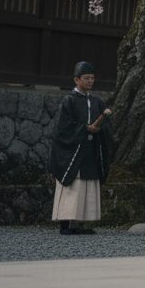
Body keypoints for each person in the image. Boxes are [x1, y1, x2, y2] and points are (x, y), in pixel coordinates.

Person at [49, 61, 112, 235]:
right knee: (73, 184)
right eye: (86, 78)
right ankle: (66, 224)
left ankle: (82, 223)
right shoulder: (69, 101)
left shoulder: (97, 101)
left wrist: (99, 129)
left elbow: (107, 126)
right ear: (77, 80)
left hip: (90, 150)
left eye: (92, 78)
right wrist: (84, 129)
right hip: (73, 151)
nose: (90, 81)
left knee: (88, 184)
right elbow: (63, 128)